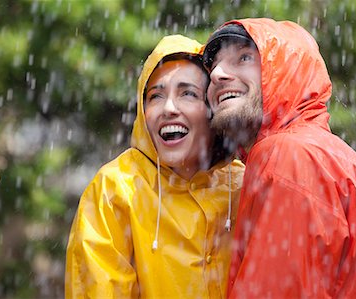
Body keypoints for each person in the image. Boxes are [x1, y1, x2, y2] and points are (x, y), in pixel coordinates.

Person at [202, 18, 356, 298]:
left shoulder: (289, 156)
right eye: (214, 66)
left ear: (285, 72)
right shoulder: (318, 150)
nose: (217, 74)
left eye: (243, 57)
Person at [65, 35, 244, 298]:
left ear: (211, 109)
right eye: (155, 96)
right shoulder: (116, 189)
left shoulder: (243, 185)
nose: (168, 108)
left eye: (188, 93)